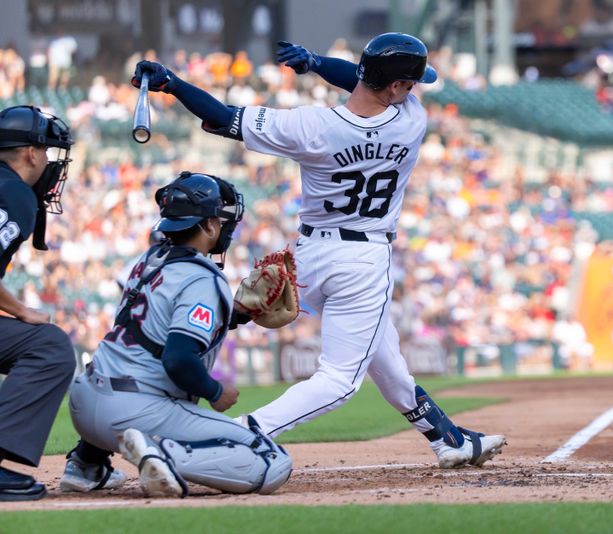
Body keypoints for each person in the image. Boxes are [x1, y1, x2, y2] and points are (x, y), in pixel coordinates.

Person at [131, 32, 507, 469]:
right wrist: (317, 64)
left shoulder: (310, 126)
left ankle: (448, 439)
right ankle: (230, 435)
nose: (413, 89)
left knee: (383, 361)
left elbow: (224, 117)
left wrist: (173, 84)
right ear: (398, 88)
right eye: (410, 83)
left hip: (308, 253)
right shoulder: (410, 121)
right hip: (363, 259)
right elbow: (366, 83)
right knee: (340, 381)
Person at [62, 172, 292, 497]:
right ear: (210, 226)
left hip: (85, 404)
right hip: (134, 411)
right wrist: (215, 391)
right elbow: (178, 360)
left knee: (129, 362)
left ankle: (86, 465)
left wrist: (235, 315)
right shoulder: (203, 279)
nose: (227, 228)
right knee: (274, 461)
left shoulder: (146, 260)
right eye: (223, 220)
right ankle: (163, 455)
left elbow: (151, 328)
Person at [0, 106, 78, 501]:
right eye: (47, 151)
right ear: (31, 152)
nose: (49, 162)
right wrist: (20, 311)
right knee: (48, 346)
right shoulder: (13, 193)